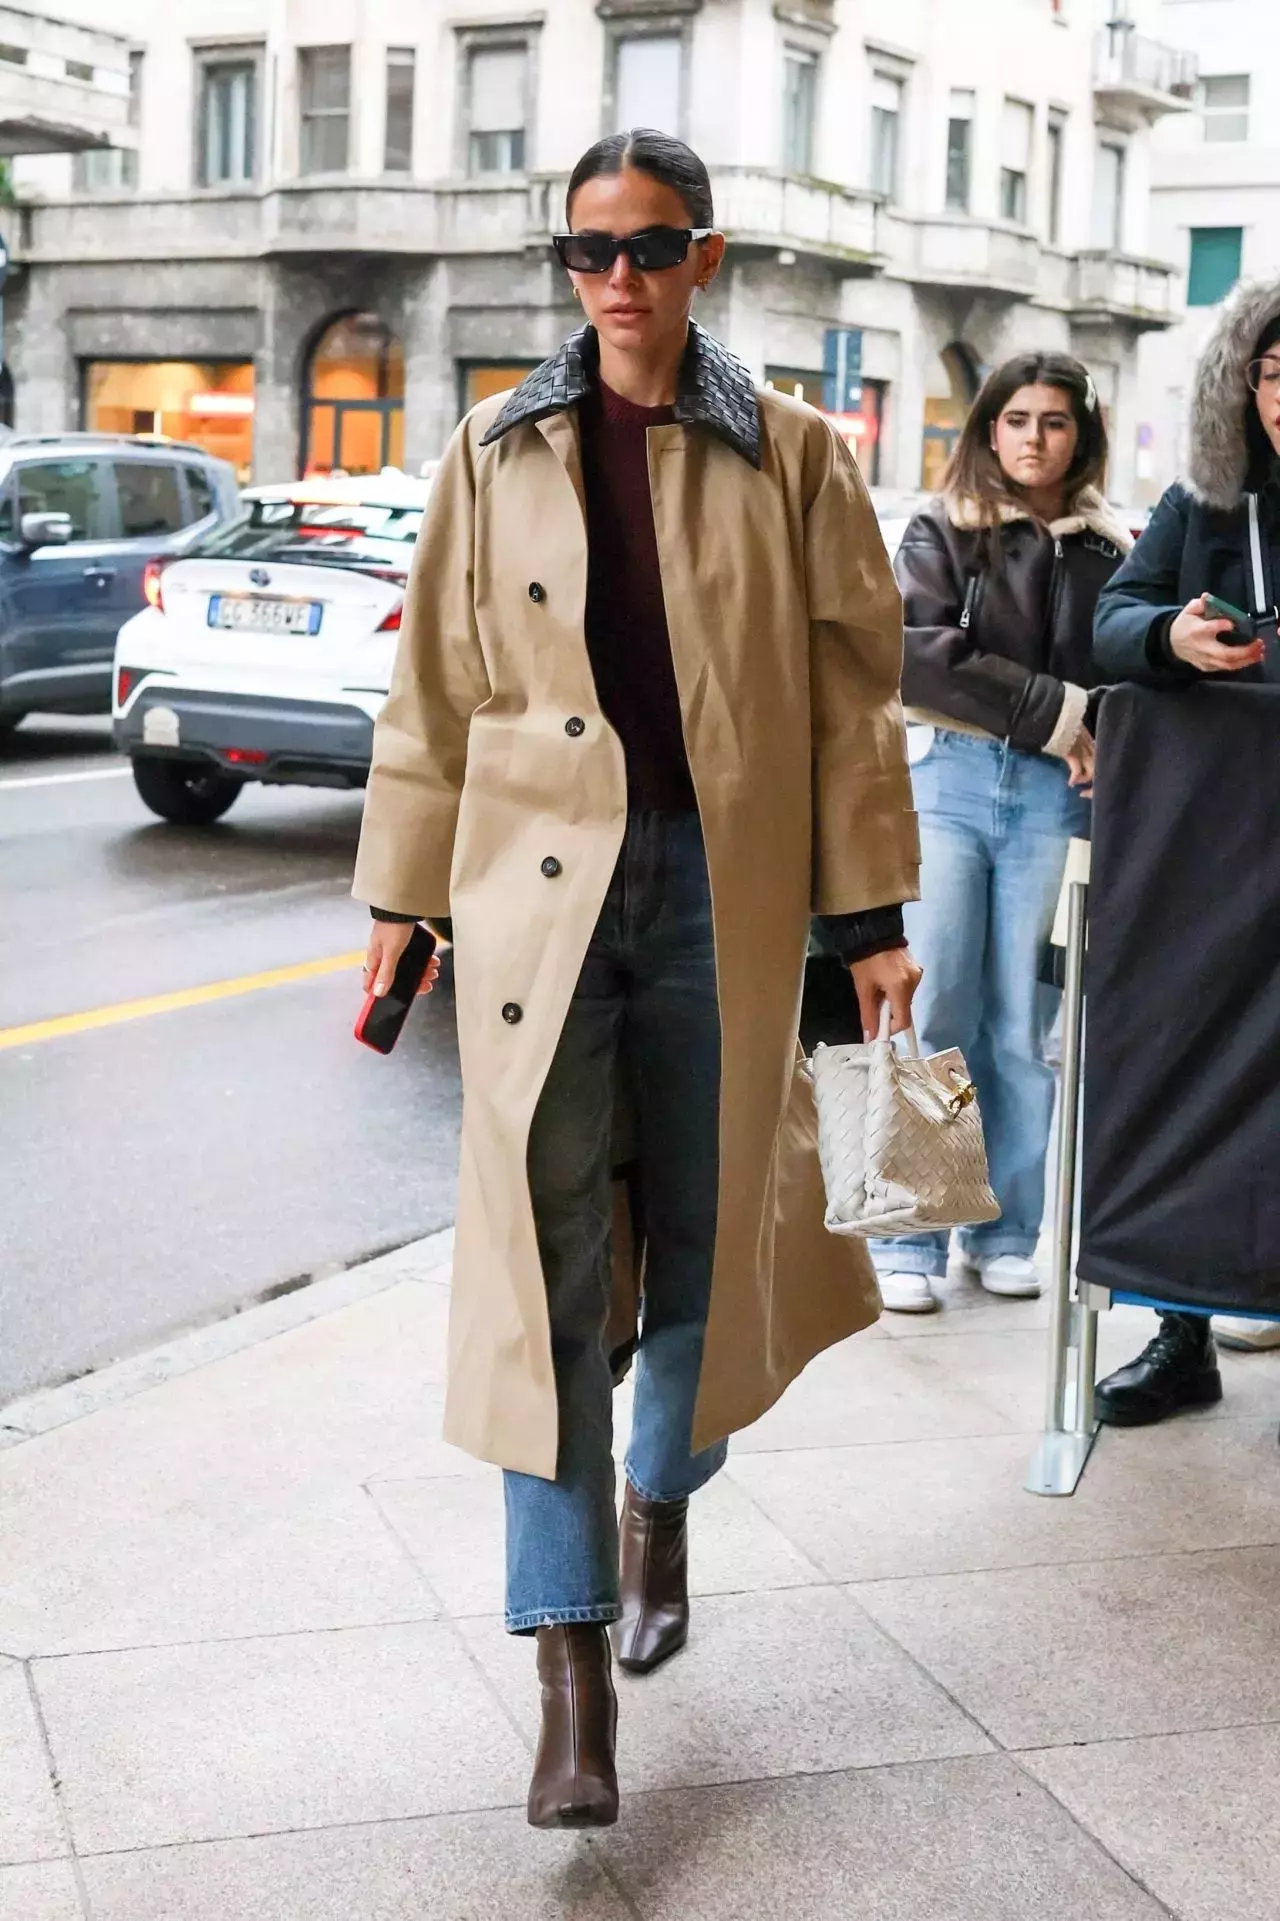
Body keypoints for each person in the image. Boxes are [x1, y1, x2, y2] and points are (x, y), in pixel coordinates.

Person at [351, 129, 921, 1829]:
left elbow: (850, 701)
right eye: (589, 249)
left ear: (707, 259)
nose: (618, 278)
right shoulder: (494, 442)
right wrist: (396, 899)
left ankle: (661, 1494)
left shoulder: (797, 455)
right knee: (547, 1275)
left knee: (710, 1232)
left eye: (652, 246)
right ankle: (571, 1667)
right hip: (538, 903)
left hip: (721, 896)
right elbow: (436, 697)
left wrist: (872, 909)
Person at [872, 353, 1131, 1314]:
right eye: (1015, 419)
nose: (1033, 437)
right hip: (947, 781)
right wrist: (1070, 714)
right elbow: (923, 660)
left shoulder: (1110, 546)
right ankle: (910, 1237)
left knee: (1023, 1025)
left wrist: (1094, 726)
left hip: (1055, 800)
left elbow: (1129, 669)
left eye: (1055, 421)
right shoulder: (943, 529)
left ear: (1081, 435)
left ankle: (1007, 1232)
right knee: (935, 1009)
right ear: (988, 430)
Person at [1089, 277, 1280, 1424]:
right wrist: (1171, 634)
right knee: (1188, 1066)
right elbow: (1110, 621)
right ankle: (1179, 1332)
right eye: (1270, 374)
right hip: (1212, 849)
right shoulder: (1203, 505)